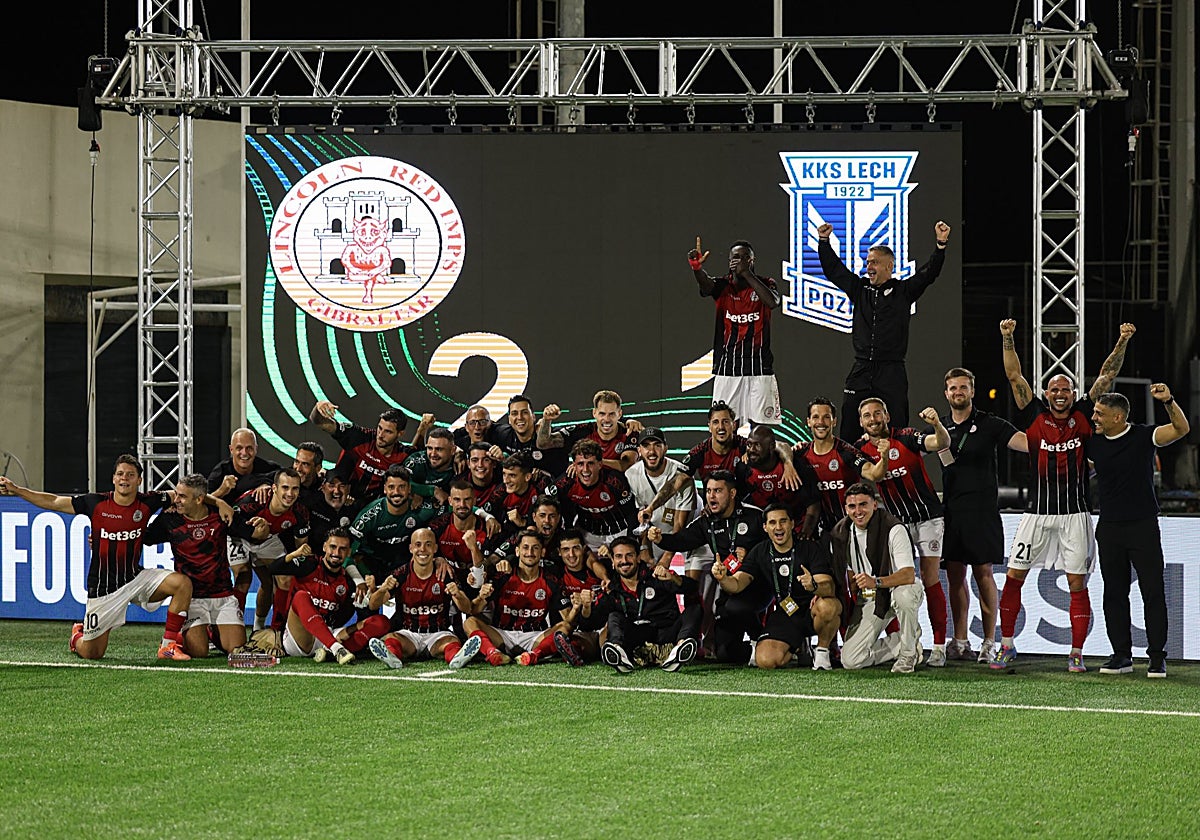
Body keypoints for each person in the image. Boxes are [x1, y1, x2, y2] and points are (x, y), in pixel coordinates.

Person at [992, 319, 1135, 672]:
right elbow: (1014, 377)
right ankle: (1007, 645)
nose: (1060, 394)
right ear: (1046, 393)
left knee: (1075, 583)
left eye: (1066, 390)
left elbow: (1106, 376)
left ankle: (1075, 653)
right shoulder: (1033, 414)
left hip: (1075, 515)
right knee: (1014, 576)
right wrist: (1008, 336)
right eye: (1054, 389)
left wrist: (1122, 340)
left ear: (1074, 395)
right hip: (1036, 513)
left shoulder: (1086, 414)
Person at [1, 455, 197, 661]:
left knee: (182, 584)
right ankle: (77, 635)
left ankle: (168, 646)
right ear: (113, 478)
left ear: (139, 480)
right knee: (92, 653)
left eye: (131, 475)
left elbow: (186, 494)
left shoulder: (149, 501)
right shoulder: (96, 503)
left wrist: (219, 502)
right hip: (104, 589)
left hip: (135, 578)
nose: (125, 479)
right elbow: (54, 502)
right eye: (120, 474)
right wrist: (17, 490)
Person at [817, 220, 951, 440]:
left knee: (898, 427)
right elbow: (834, 270)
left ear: (889, 266)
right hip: (861, 368)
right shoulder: (860, 289)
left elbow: (929, 274)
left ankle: (898, 469)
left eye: (875, 263)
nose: (869, 267)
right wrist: (824, 242)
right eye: (868, 262)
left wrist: (940, 245)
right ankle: (848, 470)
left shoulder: (903, 291)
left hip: (891, 371)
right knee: (849, 424)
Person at [1089, 385, 1189, 678]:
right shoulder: (1094, 443)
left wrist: (1169, 400)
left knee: (1153, 591)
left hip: (1143, 525)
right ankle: (1121, 655)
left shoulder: (1144, 436)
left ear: (1118, 417)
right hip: (1108, 527)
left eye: (1099, 414)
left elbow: (1181, 429)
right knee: (1114, 593)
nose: (1094, 417)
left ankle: (1157, 658)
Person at [938, 368, 1028, 664]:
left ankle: (990, 641)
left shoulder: (989, 424)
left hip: (982, 512)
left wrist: (1052, 438)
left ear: (972, 391)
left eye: (963, 387)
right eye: (953, 388)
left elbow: (1025, 443)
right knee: (954, 576)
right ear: (946, 393)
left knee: (983, 574)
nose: (958, 392)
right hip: (952, 512)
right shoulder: (940, 428)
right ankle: (960, 640)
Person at [854, 399, 952, 666]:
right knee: (898, 582)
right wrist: (883, 455)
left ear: (886, 415)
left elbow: (939, 443)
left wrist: (936, 425)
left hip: (929, 518)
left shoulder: (907, 437)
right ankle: (904, 640)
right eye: (867, 416)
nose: (873, 419)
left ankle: (940, 646)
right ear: (861, 422)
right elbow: (874, 475)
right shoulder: (861, 450)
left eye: (877, 413)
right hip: (897, 526)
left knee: (931, 578)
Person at [646, 470, 766, 662]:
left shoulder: (755, 517)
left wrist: (752, 555)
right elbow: (683, 540)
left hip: (757, 587)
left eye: (718, 491)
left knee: (737, 608)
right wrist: (661, 539)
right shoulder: (706, 522)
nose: (711, 496)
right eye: (709, 491)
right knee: (726, 654)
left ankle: (759, 637)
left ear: (732, 494)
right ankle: (755, 649)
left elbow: (774, 547)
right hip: (729, 588)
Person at [144, 473, 264, 657]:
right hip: (191, 599)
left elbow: (254, 534)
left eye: (182, 496)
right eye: (176, 494)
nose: (176, 500)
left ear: (200, 499)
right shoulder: (170, 519)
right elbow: (144, 538)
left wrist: (263, 526)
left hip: (222, 595)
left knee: (236, 649)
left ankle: (211, 631)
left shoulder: (221, 516)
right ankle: (175, 637)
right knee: (199, 652)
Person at [714, 504, 841, 670]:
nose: (778, 527)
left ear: (792, 523)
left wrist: (813, 586)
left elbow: (829, 589)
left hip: (812, 610)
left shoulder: (809, 547)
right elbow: (737, 584)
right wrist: (723, 579)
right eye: (772, 523)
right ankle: (798, 645)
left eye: (783, 521)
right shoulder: (760, 551)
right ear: (765, 527)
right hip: (785, 612)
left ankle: (822, 651)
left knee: (829, 606)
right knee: (765, 661)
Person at [828, 482, 924, 673]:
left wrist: (876, 581)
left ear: (875, 504)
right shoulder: (840, 534)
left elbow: (908, 575)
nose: (858, 511)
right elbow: (846, 573)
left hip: (899, 587)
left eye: (863, 504)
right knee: (851, 660)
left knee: (903, 597)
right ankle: (904, 641)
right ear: (845, 508)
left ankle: (907, 654)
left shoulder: (893, 528)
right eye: (852, 506)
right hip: (871, 597)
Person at [687, 236, 782, 426]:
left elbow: (772, 302)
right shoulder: (723, 286)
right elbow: (706, 286)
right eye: (734, 257)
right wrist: (697, 268)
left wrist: (747, 274)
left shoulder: (766, 283)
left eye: (743, 257)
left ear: (751, 260)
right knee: (725, 425)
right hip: (728, 367)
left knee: (762, 429)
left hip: (760, 367)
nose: (738, 261)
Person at [365, 528, 481, 669]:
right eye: (418, 544)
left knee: (451, 641)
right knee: (392, 638)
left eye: (428, 544)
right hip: (409, 634)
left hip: (438, 635)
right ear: (411, 548)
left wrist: (457, 593)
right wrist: (382, 589)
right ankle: (392, 657)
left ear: (435, 548)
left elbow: (467, 608)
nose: (423, 549)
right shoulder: (401, 574)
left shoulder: (445, 573)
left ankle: (457, 658)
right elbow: (373, 605)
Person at [460, 530, 574, 666]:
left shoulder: (551, 581)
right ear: (517, 551)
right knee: (470, 622)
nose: (530, 552)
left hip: (534, 637)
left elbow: (567, 620)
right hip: (502, 635)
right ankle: (493, 654)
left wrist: (578, 607)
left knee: (565, 627)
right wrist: (481, 597)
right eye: (525, 547)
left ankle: (534, 655)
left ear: (542, 552)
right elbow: (474, 610)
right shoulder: (502, 576)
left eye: (535, 548)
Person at [308, 400, 435, 510]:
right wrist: (319, 408)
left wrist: (422, 430)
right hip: (340, 500)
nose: (380, 435)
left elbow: (418, 453)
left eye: (388, 431)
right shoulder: (360, 437)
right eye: (380, 428)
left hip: (372, 507)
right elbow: (318, 421)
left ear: (400, 434)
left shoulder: (403, 455)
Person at [601, 536, 701, 673]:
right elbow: (593, 621)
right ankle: (618, 653)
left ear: (638, 558)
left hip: (667, 635)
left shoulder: (656, 576)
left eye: (629, 555)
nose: (624, 561)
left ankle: (680, 648)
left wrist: (674, 578)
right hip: (638, 641)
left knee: (694, 609)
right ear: (612, 561)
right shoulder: (611, 588)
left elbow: (692, 588)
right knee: (614, 616)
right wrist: (587, 606)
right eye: (619, 556)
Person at [231, 467, 310, 632]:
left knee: (282, 580)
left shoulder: (300, 512)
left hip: (268, 540)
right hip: (238, 536)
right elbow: (230, 523)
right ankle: (232, 628)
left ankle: (273, 632)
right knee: (243, 577)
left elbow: (301, 546)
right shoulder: (253, 501)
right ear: (274, 488)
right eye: (285, 488)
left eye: (295, 488)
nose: (290, 493)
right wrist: (253, 532)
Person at [267, 528, 360, 664]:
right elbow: (273, 569)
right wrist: (294, 554)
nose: (336, 553)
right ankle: (336, 649)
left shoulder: (348, 581)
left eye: (342, 549)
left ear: (349, 552)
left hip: (325, 637)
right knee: (300, 597)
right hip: (299, 639)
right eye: (333, 547)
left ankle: (328, 651)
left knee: (380, 622)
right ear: (324, 547)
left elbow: (344, 616)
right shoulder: (309, 564)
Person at [793, 397, 876, 537]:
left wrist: (884, 456)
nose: (820, 422)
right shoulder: (800, 454)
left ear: (834, 421)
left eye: (826, 417)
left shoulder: (846, 452)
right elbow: (776, 450)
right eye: (815, 417)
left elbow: (872, 474)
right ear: (808, 422)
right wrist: (788, 460)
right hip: (822, 533)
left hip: (853, 529)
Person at [551, 439, 637, 551]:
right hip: (587, 535)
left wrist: (630, 543)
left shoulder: (615, 482)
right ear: (574, 465)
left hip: (619, 532)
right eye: (580, 464)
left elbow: (631, 514)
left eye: (590, 463)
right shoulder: (566, 483)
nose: (585, 470)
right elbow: (545, 502)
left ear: (600, 464)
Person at [623, 427, 695, 561]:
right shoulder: (631, 475)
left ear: (665, 448)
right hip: (657, 533)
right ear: (639, 450)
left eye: (657, 445)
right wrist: (644, 549)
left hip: (689, 534)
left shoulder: (681, 475)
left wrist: (666, 559)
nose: (651, 451)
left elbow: (679, 524)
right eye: (646, 446)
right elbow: (642, 517)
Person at [742, 425, 821, 538]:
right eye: (749, 445)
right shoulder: (743, 468)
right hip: (763, 534)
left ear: (771, 446)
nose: (752, 450)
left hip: (797, 529)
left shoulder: (796, 466)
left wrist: (805, 534)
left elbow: (813, 504)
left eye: (757, 445)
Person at [537, 389, 643, 471]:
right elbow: (543, 443)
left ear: (619, 414)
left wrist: (588, 463)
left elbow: (627, 465)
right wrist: (546, 420)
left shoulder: (629, 432)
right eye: (602, 414)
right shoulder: (582, 431)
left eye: (612, 414)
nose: (606, 419)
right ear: (594, 413)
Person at [206, 428, 282, 501]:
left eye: (249, 448)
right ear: (231, 450)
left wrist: (266, 483)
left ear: (256, 449)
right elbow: (203, 502)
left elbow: (286, 476)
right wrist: (221, 491)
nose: (244, 453)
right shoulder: (221, 471)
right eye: (239, 448)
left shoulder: (267, 467)